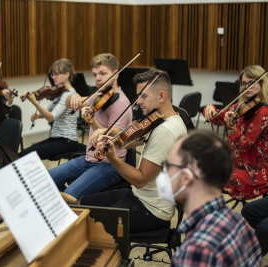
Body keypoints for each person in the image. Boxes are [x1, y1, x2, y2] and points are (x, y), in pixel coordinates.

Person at [80, 69, 187, 233]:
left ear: (161, 96)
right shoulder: (162, 119)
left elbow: (140, 180)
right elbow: (128, 141)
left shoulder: (165, 131)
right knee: (84, 203)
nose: (138, 101)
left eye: (143, 96)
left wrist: (114, 160)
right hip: (139, 197)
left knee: (91, 224)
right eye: (138, 96)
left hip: (151, 210)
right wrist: (108, 137)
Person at [159, 130, 262, 266]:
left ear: (186, 177)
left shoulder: (197, 250)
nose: (164, 174)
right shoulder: (239, 222)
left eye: (168, 166)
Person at [48, 53, 132, 202]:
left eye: (103, 73)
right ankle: (71, 206)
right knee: (46, 180)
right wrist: (71, 98)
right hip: (88, 159)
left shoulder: (120, 104)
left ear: (116, 74)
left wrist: (92, 122)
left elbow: (116, 140)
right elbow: (73, 102)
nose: (98, 78)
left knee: (67, 196)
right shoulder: (100, 95)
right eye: (95, 74)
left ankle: (72, 208)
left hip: (108, 165)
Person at [204, 65, 268, 200]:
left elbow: (245, 144)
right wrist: (209, 108)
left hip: (254, 170)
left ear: (262, 84)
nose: (247, 87)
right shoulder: (241, 106)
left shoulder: (264, 112)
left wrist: (233, 129)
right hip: (235, 162)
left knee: (213, 178)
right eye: (244, 83)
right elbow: (218, 118)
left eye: (252, 83)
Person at [19, 59, 79, 159]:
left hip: (67, 141)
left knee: (25, 156)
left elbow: (51, 117)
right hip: (56, 138)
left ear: (67, 74)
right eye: (52, 74)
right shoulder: (60, 92)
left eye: (56, 74)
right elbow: (48, 112)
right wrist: (38, 115)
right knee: (22, 154)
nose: (53, 77)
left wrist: (34, 102)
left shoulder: (69, 95)